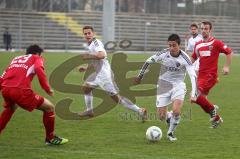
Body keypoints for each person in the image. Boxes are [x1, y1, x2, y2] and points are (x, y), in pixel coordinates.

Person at [133, 34, 198, 141]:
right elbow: (149, 61)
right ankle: (169, 118)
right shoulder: (164, 53)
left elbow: (193, 76)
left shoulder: (185, 58)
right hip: (163, 85)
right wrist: (140, 76)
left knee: (176, 111)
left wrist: (194, 94)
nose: (171, 48)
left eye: (174, 45)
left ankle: (170, 133)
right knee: (161, 116)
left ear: (179, 45)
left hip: (178, 85)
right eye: (170, 45)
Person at [0, 44, 68, 145]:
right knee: (49, 107)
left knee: (10, 108)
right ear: (37, 53)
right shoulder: (36, 57)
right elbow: (39, 69)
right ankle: (50, 138)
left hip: (5, 89)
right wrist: (47, 88)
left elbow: (4, 75)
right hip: (20, 91)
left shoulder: (16, 58)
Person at [78, 26, 147, 122]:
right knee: (85, 88)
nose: (87, 35)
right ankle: (89, 111)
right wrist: (86, 67)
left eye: (89, 33)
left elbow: (102, 55)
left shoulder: (96, 43)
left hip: (105, 76)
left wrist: (88, 56)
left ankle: (140, 110)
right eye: (85, 34)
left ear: (93, 33)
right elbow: (97, 60)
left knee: (117, 99)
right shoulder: (91, 45)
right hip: (98, 74)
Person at [190, 21, 232, 128]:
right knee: (201, 101)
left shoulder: (216, 43)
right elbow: (193, 58)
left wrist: (226, 66)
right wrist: (181, 64)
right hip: (200, 75)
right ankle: (216, 119)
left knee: (196, 96)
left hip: (210, 76)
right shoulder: (198, 44)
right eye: (202, 29)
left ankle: (213, 109)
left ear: (210, 30)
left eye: (206, 29)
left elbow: (229, 52)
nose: (204, 31)